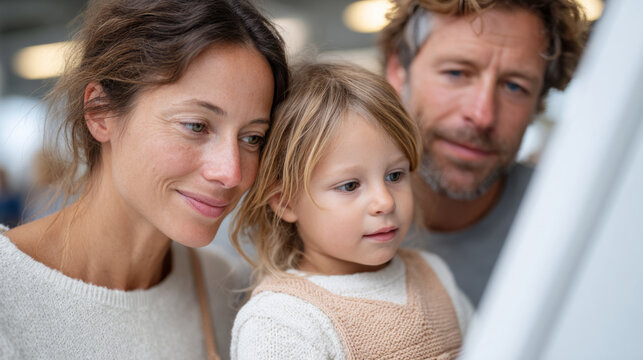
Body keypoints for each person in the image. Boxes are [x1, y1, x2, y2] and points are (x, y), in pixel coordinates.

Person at [0, 0, 288, 358]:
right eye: (196, 126)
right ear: (100, 112)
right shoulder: (7, 291)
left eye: (252, 138)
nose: (231, 173)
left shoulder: (223, 286)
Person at [229, 62, 473, 360]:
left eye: (395, 176)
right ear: (285, 202)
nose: (385, 202)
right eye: (349, 186)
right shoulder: (281, 321)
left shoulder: (434, 273)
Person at [380, 0, 588, 306]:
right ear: (399, 71)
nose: (482, 115)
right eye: (457, 73)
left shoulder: (575, 229)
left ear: (538, 103)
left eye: (514, 87)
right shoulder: (315, 218)